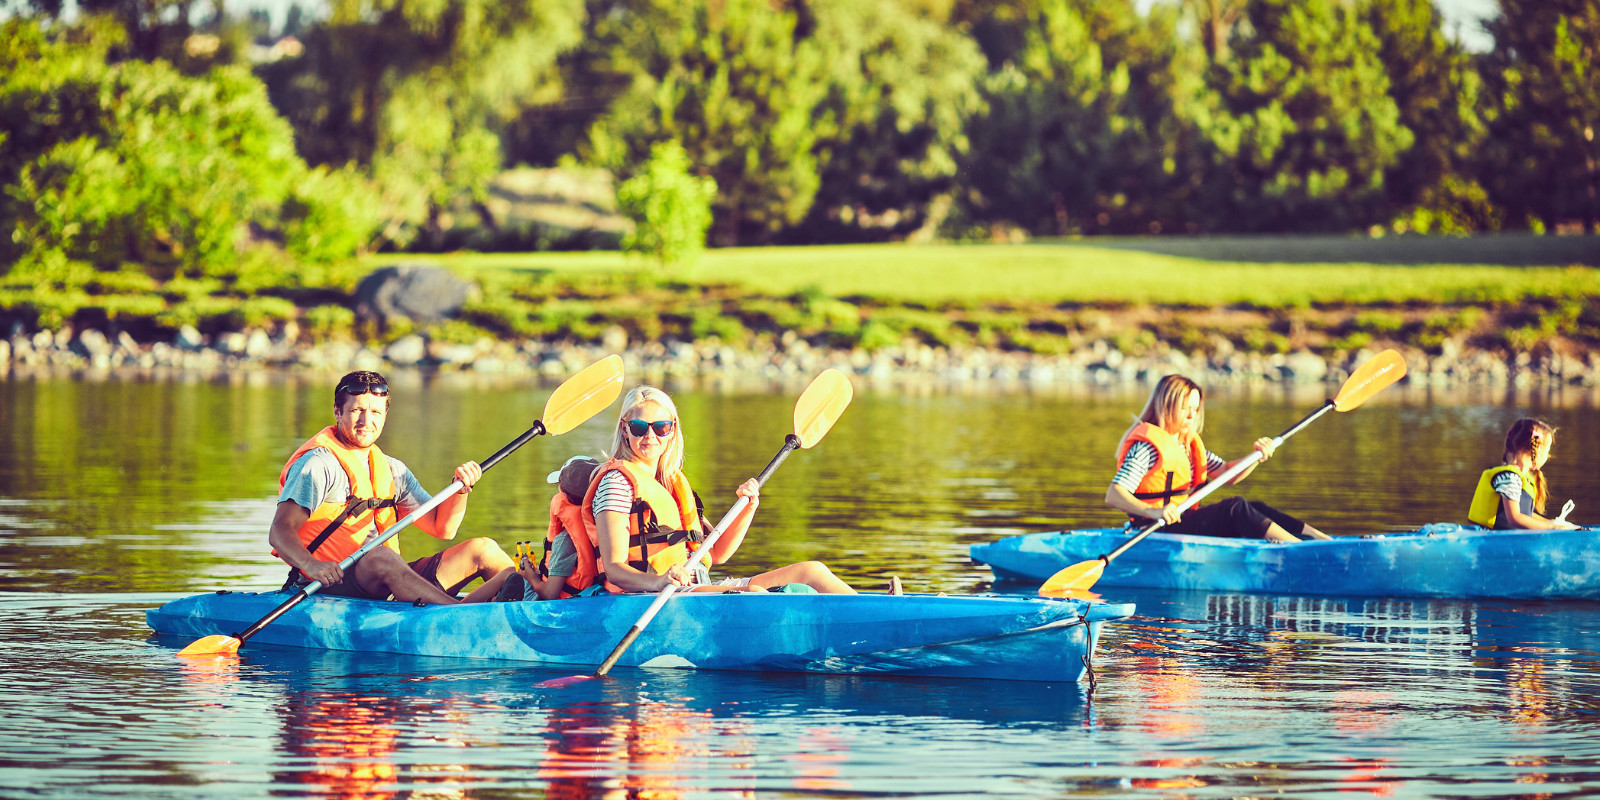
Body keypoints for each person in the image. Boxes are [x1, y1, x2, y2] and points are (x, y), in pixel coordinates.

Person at [582, 385, 893, 595]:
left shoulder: (671, 482)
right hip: (649, 598)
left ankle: (886, 613)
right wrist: (661, 580)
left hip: (698, 590)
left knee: (812, 571)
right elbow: (615, 571)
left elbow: (715, 554)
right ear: (625, 428)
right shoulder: (617, 484)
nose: (650, 435)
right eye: (639, 427)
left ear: (672, 429)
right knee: (756, 595)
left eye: (660, 427)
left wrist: (747, 508)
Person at [269, 370, 515, 604]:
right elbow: (280, 531)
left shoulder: (393, 470)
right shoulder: (317, 464)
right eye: (357, 410)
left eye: (376, 412)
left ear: (385, 415)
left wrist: (460, 490)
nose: (367, 421)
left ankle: (538, 604)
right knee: (381, 557)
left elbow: (443, 528)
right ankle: (457, 612)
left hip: (387, 580)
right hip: (330, 583)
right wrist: (312, 565)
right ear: (337, 412)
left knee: (483, 549)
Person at [1105, 374, 1333, 542]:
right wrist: (1152, 511)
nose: (1191, 415)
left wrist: (1256, 456)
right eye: (1185, 407)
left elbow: (1227, 473)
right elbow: (1114, 494)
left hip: (1180, 523)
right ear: (1166, 404)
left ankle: (1323, 540)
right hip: (1154, 529)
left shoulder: (1186, 445)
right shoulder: (1147, 447)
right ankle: (1298, 549)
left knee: (1255, 506)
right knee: (1234, 508)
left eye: (1195, 408)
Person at [1467, 418, 1579, 530]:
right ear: (1539, 449)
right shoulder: (1510, 477)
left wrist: (1553, 523)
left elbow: (1526, 516)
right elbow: (1514, 518)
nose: (1548, 456)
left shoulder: (1522, 478)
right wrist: (1552, 527)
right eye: (1547, 451)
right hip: (1491, 539)